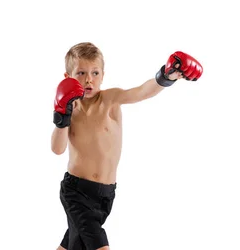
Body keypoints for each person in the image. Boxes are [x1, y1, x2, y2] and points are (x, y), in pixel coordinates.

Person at [51, 42, 203, 250]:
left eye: (95, 73)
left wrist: (166, 76)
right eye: (81, 73)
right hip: (76, 193)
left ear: (103, 75)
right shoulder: (71, 109)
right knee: (99, 245)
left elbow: (142, 91)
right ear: (67, 78)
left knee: (71, 245)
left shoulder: (110, 100)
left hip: (105, 195)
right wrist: (61, 116)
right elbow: (57, 149)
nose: (88, 79)